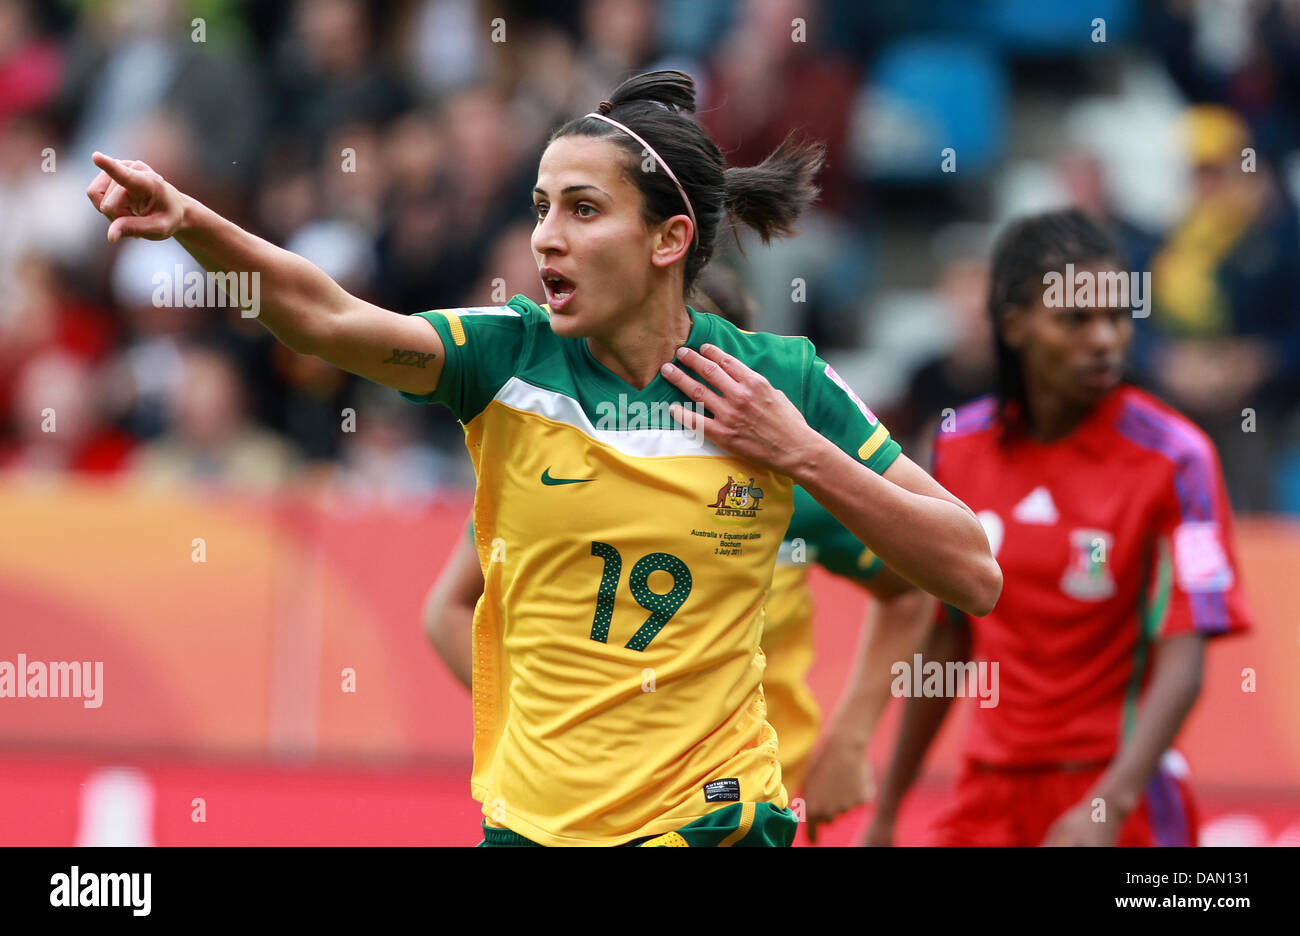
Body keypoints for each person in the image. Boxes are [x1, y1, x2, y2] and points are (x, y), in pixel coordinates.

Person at [86, 69, 1000, 847]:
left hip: (712, 815)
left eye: (583, 209)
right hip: (532, 824)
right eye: (539, 208)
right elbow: (326, 318)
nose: (545, 236)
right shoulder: (505, 358)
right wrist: (193, 223)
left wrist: (801, 452)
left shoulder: (778, 383)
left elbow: (971, 570)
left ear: (668, 239)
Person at [421, 265, 928, 834]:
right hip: (575, 809)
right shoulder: (554, 483)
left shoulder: (788, 488)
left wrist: (851, 739)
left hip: (738, 803)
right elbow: (448, 607)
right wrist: (557, 724)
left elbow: (914, 588)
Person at [808, 209, 1252, 846]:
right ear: (1014, 326)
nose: (1104, 339)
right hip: (988, 793)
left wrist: (1108, 807)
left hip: (1119, 796)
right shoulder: (958, 447)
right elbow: (948, 642)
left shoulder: (1177, 457)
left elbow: (1188, 660)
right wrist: (888, 811)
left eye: (1117, 316)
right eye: (1076, 319)